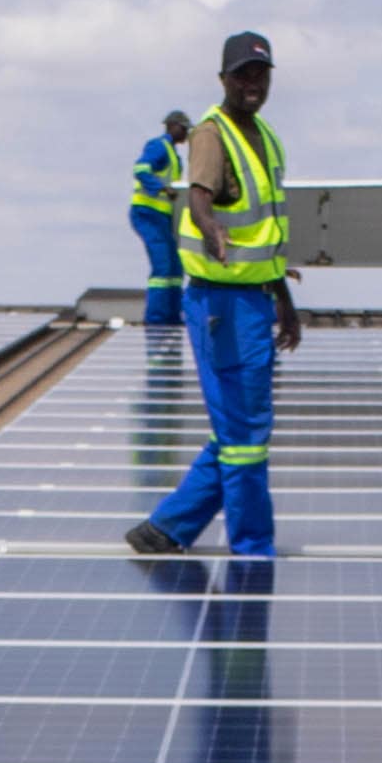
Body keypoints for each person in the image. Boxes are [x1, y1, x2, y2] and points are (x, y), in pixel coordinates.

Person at [130, 29, 296, 562]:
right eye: (243, 74)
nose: (253, 83)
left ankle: (166, 527)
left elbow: (266, 233)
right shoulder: (210, 134)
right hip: (219, 304)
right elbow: (199, 199)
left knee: (240, 426)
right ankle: (252, 550)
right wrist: (208, 228)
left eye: (261, 74)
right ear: (223, 78)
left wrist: (284, 303)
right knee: (245, 434)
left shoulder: (267, 137)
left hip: (253, 302)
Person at [128, 106, 191, 331]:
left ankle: (172, 316)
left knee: (175, 267)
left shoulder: (174, 155)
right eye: (184, 129)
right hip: (147, 214)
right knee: (163, 266)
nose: (186, 134)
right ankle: (156, 320)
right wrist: (162, 188)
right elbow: (141, 169)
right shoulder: (158, 146)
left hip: (162, 218)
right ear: (173, 126)